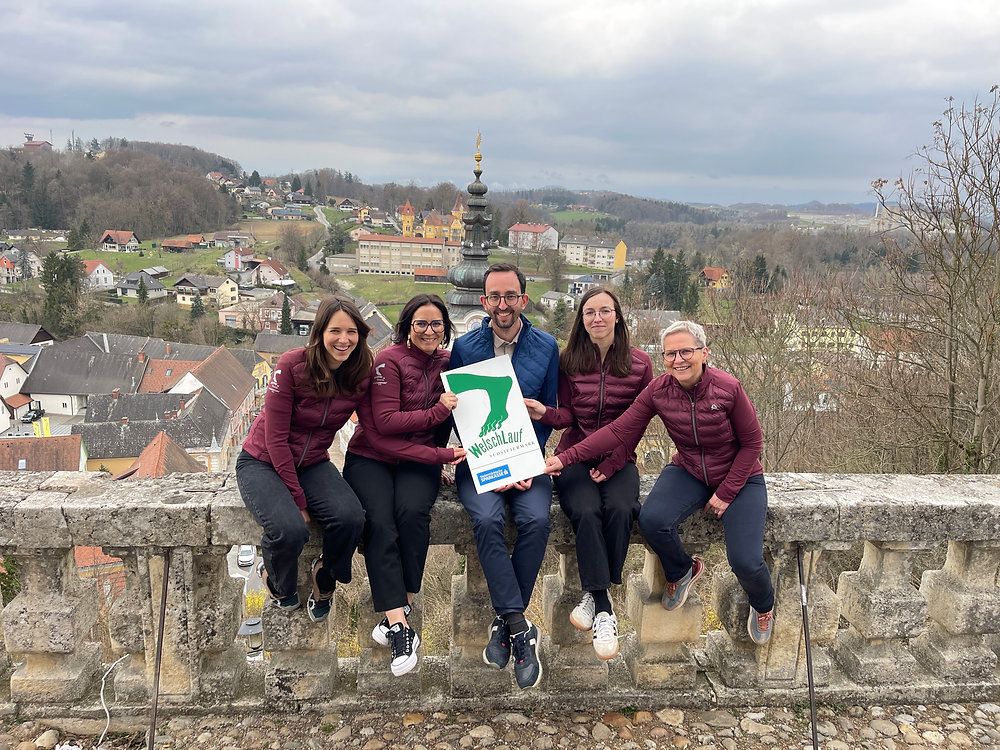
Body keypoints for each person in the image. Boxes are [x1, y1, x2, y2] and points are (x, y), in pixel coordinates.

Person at [545, 320, 774, 645]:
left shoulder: (727, 387)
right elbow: (618, 430)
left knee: (746, 561)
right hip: (689, 470)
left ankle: (764, 606)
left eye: (686, 351)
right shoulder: (659, 390)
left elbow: (753, 443)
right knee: (652, 521)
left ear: (704, 353)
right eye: (670, 354)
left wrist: (726, 491)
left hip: (740, 476)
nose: (678, 359)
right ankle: (682, 570)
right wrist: (565, 459)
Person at [447, 262, 559, 690]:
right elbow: (463, 416)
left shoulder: (547, 347)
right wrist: (492, 461)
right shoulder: (465, 346)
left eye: (510, 296)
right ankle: (518, 628)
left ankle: (504, 622)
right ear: (484, 301)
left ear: (523, 300)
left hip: (529, 461)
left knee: (535, 520)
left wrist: (524, 460)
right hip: (480, 461)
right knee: (489, 520)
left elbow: (548, 412)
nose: (502, 304)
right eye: (494, 297)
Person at [524, 287, 652, 660]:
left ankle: (592, 595)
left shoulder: (640, 364)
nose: (597, 318)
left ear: (617, 316)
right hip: (573, 456)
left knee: (621, 508)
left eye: (604, 311)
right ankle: (604, 605)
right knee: (583, 510)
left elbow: (638, 424)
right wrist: (543, 412)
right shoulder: (569, 361)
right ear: (581, 319)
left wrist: (613, 463)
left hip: (620, 458)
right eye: (589, 312)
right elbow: (568, 417)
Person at [343, 294, 467, 677]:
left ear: (445, 327)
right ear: (407, 327)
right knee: (379, 521)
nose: (429, 330)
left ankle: (399, 611)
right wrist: (440, 425)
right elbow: (386, 423)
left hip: (421, 459)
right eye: (421, 324)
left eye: (436, 323)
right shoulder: (389, 360)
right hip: (373, 458)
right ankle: (400, 627)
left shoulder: (451, 364)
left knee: (413, 514)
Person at [236, 296, 371, 624]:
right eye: (335, 330)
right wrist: (297, 498)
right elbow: (275, 438)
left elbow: (382, 420)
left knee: (352, 517)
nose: (343, 339)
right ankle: (277, 582)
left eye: (351, 331)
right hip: (262, 460)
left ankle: (325, 575)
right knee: (290, 528)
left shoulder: (360, 373)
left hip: (312, 460)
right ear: (320, 332)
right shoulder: (291, 365)